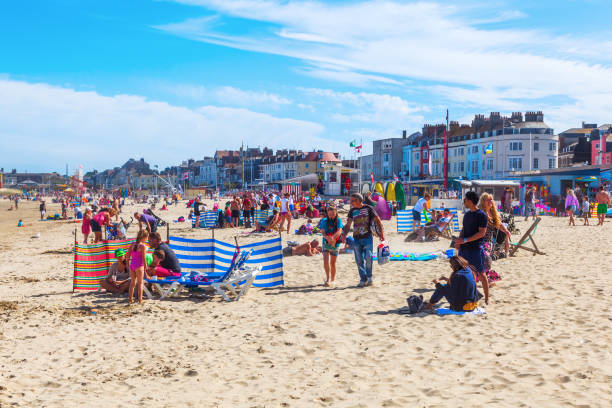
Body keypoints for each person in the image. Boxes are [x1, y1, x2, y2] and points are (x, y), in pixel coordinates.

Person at [454, 190, 489, 304]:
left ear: (469, 201)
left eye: (465, 199)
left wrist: (464, 240)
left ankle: (487, 299)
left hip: (475, 249)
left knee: (481, 274)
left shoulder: (482, 215)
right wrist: (459, 241)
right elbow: (464, 229)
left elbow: (481, 233)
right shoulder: (467, 214)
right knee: (463, 272)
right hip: (464, 249)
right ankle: (472, 295)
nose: (463, 201)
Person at [344, 193, 385, 288]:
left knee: (369, 257)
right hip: (357, 238)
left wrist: (382, 234)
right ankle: (363, 279)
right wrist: (344, 234)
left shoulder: (368, 208)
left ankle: (369, 277)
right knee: (359, 260)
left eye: (352, 201)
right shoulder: (352, 211)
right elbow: (348, 224)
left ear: (359, 200)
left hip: (367, 237)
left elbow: (378, 220)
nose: (351, 202)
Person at [478, 193, 511, 257]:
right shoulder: (480, 213)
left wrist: (506, 231)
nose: (490, 201)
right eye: (488, 200)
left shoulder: (492, 212)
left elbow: (499, 224)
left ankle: (506, 253)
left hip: (488, 241)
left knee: (505, 234)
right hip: (480, 240)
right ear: (483, 202)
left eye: (491, 199)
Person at [320, 204, 343, 287]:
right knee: (325, 260)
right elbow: (322, 231)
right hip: (326, 242)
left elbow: (339, 230)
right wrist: (327, 238)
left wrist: (333, 238)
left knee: (333, 262)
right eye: (329, 214)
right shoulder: (324, 220)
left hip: (335, 242)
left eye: (333, 214)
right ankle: (328, 278)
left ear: (336, 213)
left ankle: (333, 280)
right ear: (327, 213)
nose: (331, 216)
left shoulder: (338, 220)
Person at [127, 230, 149, 304]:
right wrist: (146, 266)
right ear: (144, 237)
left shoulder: (132, 244)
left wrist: (127, 264)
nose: (147, 239)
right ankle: (140, 300)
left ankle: (130, 299)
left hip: (132, 265)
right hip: (139, 266)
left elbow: (128, 255)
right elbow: (143, 257)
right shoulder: (142, 246)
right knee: (140, 283)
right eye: (147, 238)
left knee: (132, 283)